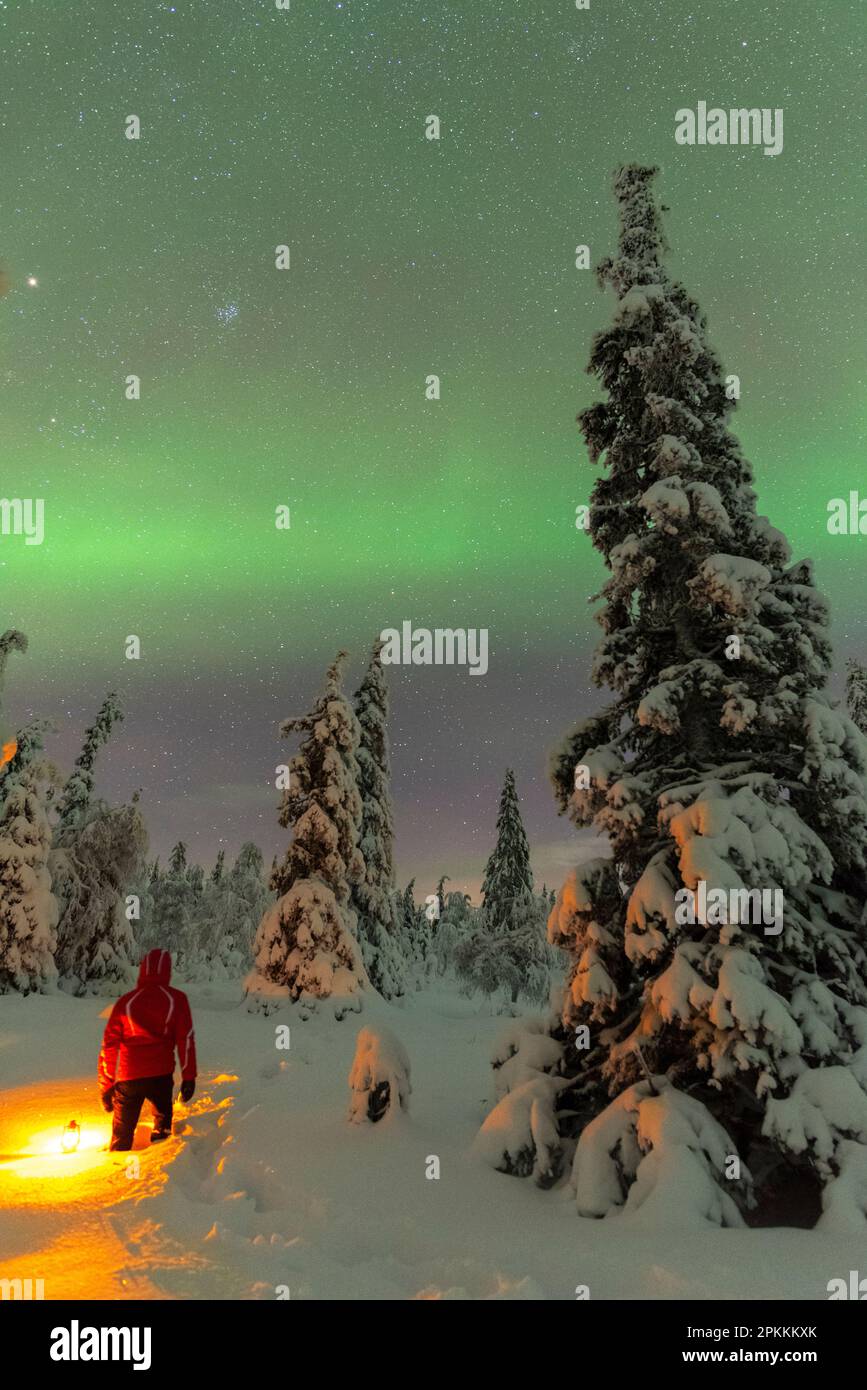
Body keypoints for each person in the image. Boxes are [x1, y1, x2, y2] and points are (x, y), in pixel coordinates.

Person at [98, 948, 197, 1152]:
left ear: (143, 970)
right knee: (162, 1132)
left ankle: (117, 1168)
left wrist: (106, 1086)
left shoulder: (127, 1002)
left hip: (129, 1078)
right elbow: (185, 1039)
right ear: (167, 971)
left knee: (121, 1135)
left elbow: (109, 1045)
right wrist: (189, 1077)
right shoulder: (176, 999)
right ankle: (164, 1168)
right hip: (161, 1077)